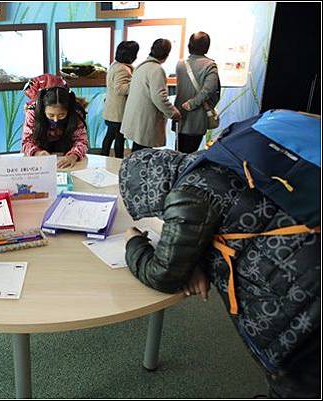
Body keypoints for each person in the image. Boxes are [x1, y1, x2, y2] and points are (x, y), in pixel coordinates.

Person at [119, 142, 320, 397]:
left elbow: (164, 274)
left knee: (299, 382)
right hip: (306, 253)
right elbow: (230, 216)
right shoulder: (214, 160)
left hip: (300, 294)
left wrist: (133, 241)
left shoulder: (189, 193)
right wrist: (192, 259)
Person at [121, 39, 181, 152]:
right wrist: (173, 113)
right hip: (146, 119)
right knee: (144, 153)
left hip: (137, 116)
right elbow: (159, 98)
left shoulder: (141, 66)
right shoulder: (157, 70)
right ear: (166, 54)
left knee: (138, 150)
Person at [174, 32, 221, 153]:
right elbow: (209, 90)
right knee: (189, 155)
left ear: (189, 46)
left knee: (177, 155)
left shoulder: (180, 64)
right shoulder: (210, 65)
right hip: (197, 118)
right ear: (207, 47)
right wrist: (192, 104)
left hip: (180, 115)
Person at [21, 86, 89, 169]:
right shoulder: (32, 113)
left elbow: (82, 141)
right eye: (51, 115)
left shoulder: (76, 113)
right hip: (39, 157)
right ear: (43, 110)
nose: (56, 120)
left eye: (61, 115)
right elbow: (27, 141)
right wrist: (37, 153)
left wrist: (74, 155)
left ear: (68, 110)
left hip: (67, 154)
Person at [101, 40, 139, 158]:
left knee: (110, 136)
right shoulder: (123, 69)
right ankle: (117, 161)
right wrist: (137, 83)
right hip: (118, 112)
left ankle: (104, 157)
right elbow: (120, 89)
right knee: (118, 138)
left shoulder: (115, 65)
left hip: (112, 110)